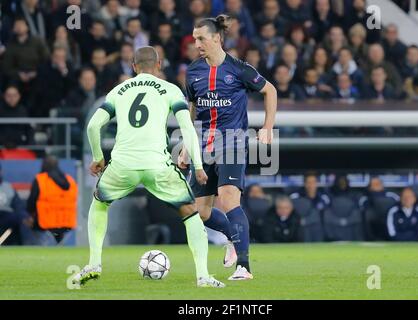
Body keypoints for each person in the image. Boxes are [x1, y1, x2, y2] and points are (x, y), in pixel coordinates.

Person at [73, 46, 225, 288]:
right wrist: (197, 165)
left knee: (99, 203)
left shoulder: (118, 90)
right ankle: (203, 276)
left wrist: (97, 157)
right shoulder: (170, 89)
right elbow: (187, 128)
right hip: (157, 163)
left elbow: (93, 126)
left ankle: (93, 263)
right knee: (190, 212)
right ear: (159, 65)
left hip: (123, 163)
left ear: (133, 67)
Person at [179, 15, 277, 280]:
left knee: (229, 197)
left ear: (216, 38)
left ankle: (244, 267)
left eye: (201, 38)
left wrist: (267, 127)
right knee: (201, 212)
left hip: (232, 142)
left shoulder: (238, 68)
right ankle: (232, 238)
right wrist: (187, 146)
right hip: (203, 146)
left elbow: (271, 90)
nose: (196, 43)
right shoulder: (193, 71)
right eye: (194, 38)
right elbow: (192, 110)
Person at [26, 155, 78, 245]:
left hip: (45, 224)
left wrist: (29, 215)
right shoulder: (70, 180)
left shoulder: (40, 179)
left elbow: (31, 203)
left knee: (24, 220)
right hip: (67, 224)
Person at [0, 162, 33, 245]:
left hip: (5, 215)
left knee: (22, 218)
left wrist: (25, 216)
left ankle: (24, 246)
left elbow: (18, 205)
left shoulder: (7, 187)